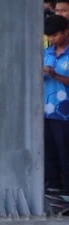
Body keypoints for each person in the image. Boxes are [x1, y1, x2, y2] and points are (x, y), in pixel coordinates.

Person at [44, 15, 69, 198]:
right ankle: (53, 184)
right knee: (49, 150)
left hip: (64, 114)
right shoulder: (46, 53)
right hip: (46, 111)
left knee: (65, 152)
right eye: (49, 36)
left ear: (66, 32)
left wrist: (55, 75)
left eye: (54, 35)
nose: (52, 39)